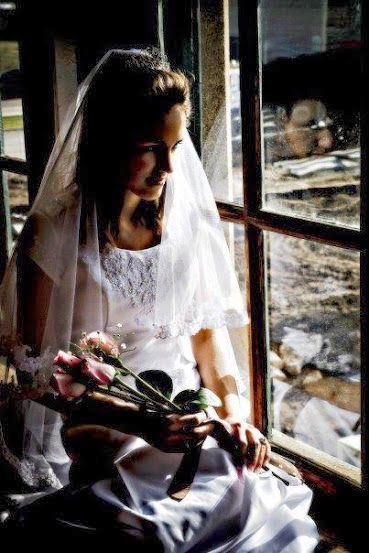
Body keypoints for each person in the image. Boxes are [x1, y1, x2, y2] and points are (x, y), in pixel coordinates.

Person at [0, 48, 319, 551]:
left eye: (176, 144)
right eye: (151, 146)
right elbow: (36, 375)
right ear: (108, 142)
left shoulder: (184, 225)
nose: (169, 166)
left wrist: (233, 414)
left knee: (249, 498)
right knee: (145, 532)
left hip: (189, 417)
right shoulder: (54, 230)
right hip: (101, 427)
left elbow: (208, 339)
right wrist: (140, 421)